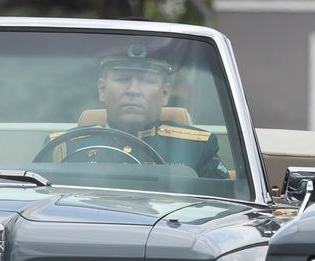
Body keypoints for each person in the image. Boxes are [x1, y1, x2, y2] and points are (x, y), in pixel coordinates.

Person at [38, 43, 223, 177]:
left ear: (165, 93)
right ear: (102, 90)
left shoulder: (197, 148)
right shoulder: (61, 147)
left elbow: (219, 212)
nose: (133, 90)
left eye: (147, 80)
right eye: (122, 78)